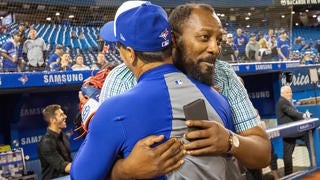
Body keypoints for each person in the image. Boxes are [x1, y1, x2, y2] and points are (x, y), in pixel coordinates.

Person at [76, 2, 270, 179]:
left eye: (219, 40)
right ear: (173, 40)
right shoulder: (120, 78)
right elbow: (108, 154)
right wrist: (126, 170)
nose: (214, 49)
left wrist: (230, 140)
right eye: (204, 37)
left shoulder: (222, 76)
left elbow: (84, 173)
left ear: (129, 53)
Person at [276, 86, 307, 176]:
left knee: (288, 154)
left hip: (293, 132)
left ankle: (289, 174)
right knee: (288, 154)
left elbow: (293, 112)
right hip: (289, 132)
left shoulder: (286, 102)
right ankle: (288, 175)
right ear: (283, 93)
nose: (291, 94)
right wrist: (303, 116)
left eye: (291, 92)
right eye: (289, 92)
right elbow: (292, 112)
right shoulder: (282, 102)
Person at [37, 104, 72, 180]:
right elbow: (64, 167)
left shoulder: (64, 136)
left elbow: (69, 162)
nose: (65, 116)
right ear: (53, 120)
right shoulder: (46, 143)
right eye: (61, 115)